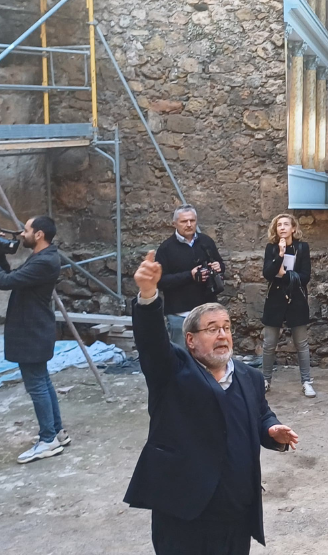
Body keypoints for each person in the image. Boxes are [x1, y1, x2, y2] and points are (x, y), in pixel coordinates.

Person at [124, 251, 299, 555]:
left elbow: (260, 414)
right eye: (212, 328)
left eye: (227, 327)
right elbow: (152, 342)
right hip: (184, 511)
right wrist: (149, 295)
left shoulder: (250, 377)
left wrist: (271, 430)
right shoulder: (173, 370)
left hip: (235, 511)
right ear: (190, 340)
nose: (222, 335)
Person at [0, 215, 68, 464]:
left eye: (26, 230)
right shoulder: (42, 257)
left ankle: (48, 440)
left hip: (32, 331)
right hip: (35, 329)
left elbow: (5, 282)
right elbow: (15, 277)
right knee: (43, 381)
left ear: (39, 235)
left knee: (37, 385)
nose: (21, 234)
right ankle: (57, 431)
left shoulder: (45, 261)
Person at [155, 204, 225, 349]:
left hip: (207, 311)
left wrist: (219, 267)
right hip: (180, 313)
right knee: (181, 357)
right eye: (184, 221)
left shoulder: (206, 242)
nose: (188, 224)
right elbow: (160, 282)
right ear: (174, 224)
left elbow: (220, 265)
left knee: (208, 355)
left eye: (192, 221)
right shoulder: (166, 249)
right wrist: (190, 275)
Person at [262, 213, 315, 397]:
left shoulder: (302, 247)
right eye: (279, 225)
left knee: (301, 343)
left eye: (286, 224)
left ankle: (306, 381)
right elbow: (267, 274)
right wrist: (281, 254)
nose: (282, 228)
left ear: (293, 228)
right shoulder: (271, 248)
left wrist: (285, 274)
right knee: (269, 343)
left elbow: (305, 276)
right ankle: (265, 380)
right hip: (275, 300)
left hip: (296, 299)